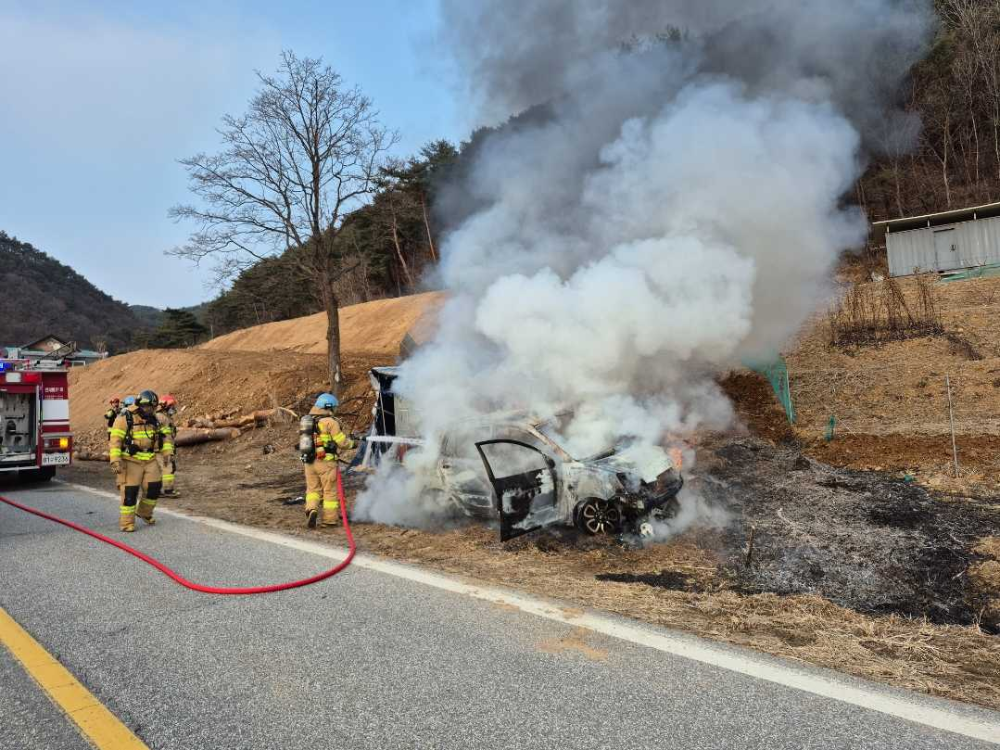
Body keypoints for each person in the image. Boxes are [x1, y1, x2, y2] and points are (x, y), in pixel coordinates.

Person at [108, 390, 173, 532]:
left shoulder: (155, 419)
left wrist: (168, 453)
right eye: (148, 407)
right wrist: (115, 461)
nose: (151, 410)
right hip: (130, 461)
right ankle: (127, 523)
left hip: (150, 459)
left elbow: (165, 437)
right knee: (130, 493)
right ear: (140, 405)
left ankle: (144, 512)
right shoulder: (125, 418)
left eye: (153, 407)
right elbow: (115, 441)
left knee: (154, 488)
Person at [301, 393, 355, 529]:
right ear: (328, 406)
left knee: (312, 490)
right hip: (326, 463)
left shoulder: (308, 421)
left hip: (309, 462)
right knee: (330, 492)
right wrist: (353, 444)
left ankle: (311, 509)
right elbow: (342, 442)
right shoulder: (331, 422)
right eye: (334, 407)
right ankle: (329, 520)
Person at [156, 394, 179, 496]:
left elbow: (170, 435)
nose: (173, 408)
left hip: (167, 447)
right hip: (163, 448)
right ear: (164, 406)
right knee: (168, 468)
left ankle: (157, 490)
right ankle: (168, 489)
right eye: (171, 406)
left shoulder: (167, 417)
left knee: (162, 468)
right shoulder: (160, 417)